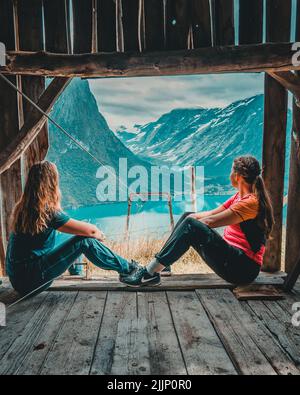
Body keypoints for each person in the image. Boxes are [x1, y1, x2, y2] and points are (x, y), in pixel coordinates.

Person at [121, 156, 275, 287]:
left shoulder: (250, 203)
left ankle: (149, 273)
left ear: (238, 176)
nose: (230, 175)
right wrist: (190, 217)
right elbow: (210, 213)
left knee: (191, 223)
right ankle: (163, 265)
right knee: (189, 216)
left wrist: (191, 222)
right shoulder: (238, 197)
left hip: (242, 269)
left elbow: (210, 221)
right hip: (233, 259)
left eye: (231, 172)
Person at [6, 161, 138, 297]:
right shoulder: (47, 212)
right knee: (85, 241)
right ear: (52, 183)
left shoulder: (22, 207)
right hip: (32, 282)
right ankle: (129, 270)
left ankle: (77, 275)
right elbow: (91, 231)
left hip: (19, 280)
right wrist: (99, 234)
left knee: (74, 236)